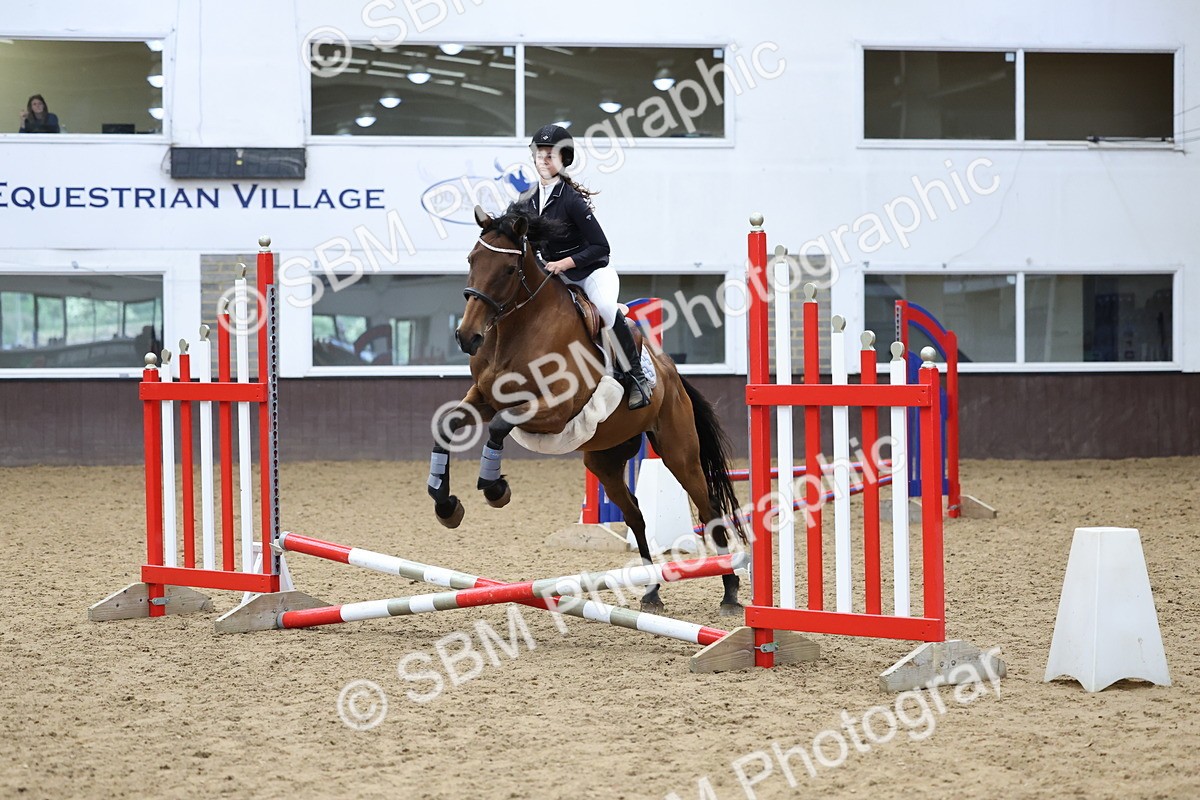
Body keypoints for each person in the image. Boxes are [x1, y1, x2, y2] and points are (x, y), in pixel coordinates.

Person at [517, 123, 652, 409]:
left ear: (563, 160)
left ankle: (635, 375)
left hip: (591, 272)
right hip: (554, 276)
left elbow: (601, 247)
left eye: (550, 154)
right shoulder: (526, 200)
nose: (543, 159)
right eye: (539, 154)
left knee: (604, 307)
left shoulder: (572, 200)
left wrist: (564, 263)